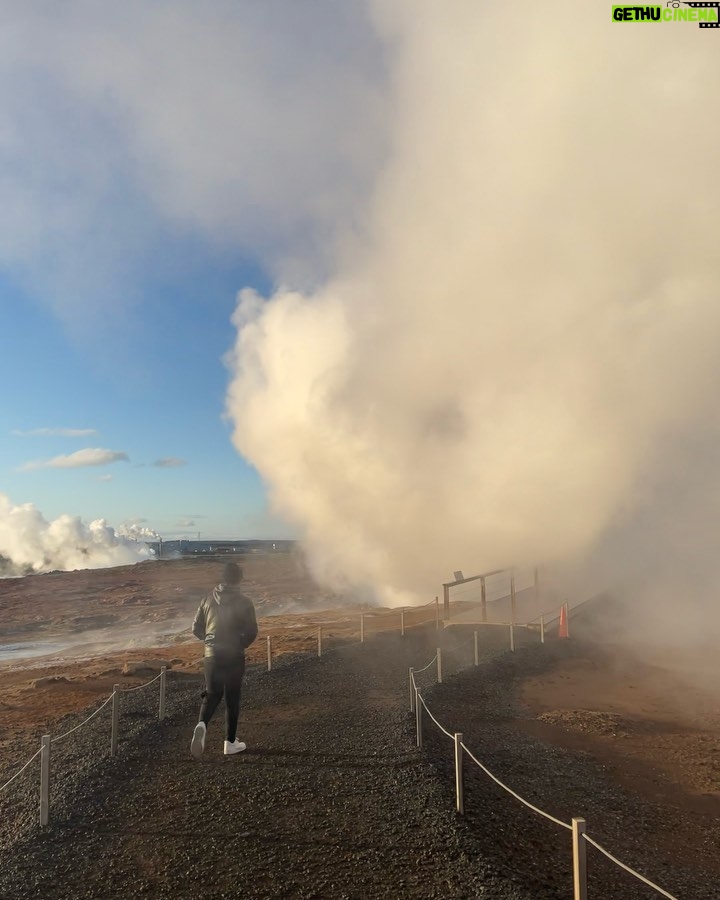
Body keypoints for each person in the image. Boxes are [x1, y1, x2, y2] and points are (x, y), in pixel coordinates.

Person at [190, 562, 258, 758]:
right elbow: (253, 631)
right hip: (234, 655)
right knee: (232, 698)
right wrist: (240, 643)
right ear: (239, 579)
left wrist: (210, 642)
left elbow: (196, 627)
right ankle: (230, 743)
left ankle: (202, 723)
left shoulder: (207, 599)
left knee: (212, 694)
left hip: (211, 655)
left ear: (222, 578)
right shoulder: (245, 602)